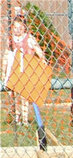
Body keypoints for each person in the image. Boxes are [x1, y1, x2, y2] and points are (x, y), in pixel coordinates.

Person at [5, 15, 48, 150]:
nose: (17, 30)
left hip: (27, 70)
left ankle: (25, 119)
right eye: (15, 28)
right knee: (15, 95)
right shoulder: (11, 40)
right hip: (16, 69)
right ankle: (17, 117)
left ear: (24, 27)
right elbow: (7, 54)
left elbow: (38, 51)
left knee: (25, 96)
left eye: (20, 27)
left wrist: (42, 59)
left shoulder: (28, 39)